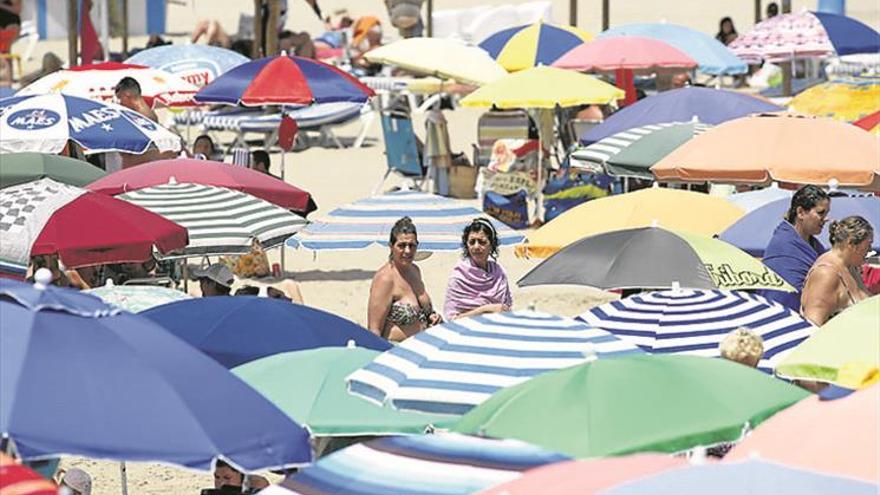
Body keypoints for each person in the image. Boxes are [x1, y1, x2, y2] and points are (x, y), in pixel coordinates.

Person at [757, 185, 830, 312]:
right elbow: (784, 295)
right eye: (820, 213)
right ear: (801, 212)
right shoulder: (783, 246)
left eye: (826, 213)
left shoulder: (815, 247)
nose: (826, 219)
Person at [367, 217, 441, 341]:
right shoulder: (385, 279)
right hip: (396, 350)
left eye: (412, 245)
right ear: (391, 246)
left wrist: (432, 316)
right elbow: (374, 329)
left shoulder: (415, 270)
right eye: (402, 245)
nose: (407, 251)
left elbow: (423, 310)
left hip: (423, 345)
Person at [801, 216, 873, 326]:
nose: (870, 250)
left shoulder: (851, 267)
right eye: (868, 244)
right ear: (851, 244)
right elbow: (812, 325)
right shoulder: (826, 274)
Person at [443, 218, 513, 320]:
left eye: (482, 242)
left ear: (491, 245)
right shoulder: (458, 278)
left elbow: (507, 308)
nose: (476, 246)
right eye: (472, 242)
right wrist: (484, 310)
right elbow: (452, 319)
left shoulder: (499, 273)